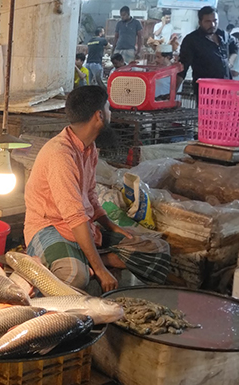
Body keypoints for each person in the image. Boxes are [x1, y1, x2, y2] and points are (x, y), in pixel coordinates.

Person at [24, 85, 171, 291]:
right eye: (109, 108)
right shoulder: (60, 155)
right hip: (50, 227)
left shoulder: (89, 147)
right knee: (75, 276)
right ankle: (87, 262)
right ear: (99, 116)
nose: (112, 113)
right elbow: (74, 216)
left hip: (82, 228)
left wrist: (113, 227)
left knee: (158, 249)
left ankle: (90, 258)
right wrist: (100, 271)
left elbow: (91, 197)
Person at [178, 6, 239, 97]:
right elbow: (182, 68)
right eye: (208, 21)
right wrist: (172, 93)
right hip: (205, 91)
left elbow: (235, 45)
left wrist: (230, 62)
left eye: (215, 21)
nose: (213, 25)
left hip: (226, 88)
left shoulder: (224, 35)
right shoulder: (191, 40)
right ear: (200, 22)